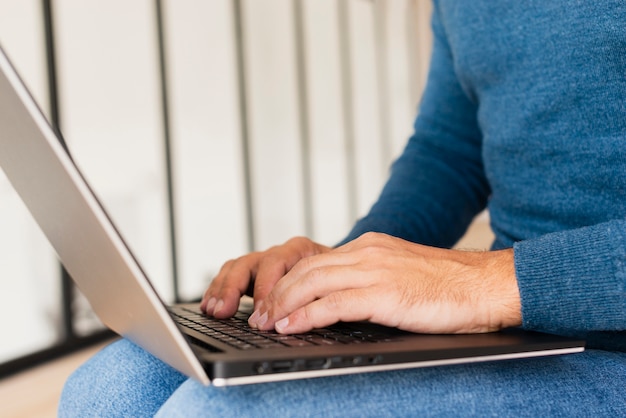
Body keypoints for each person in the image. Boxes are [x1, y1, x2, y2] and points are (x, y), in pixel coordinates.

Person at [59, 1, 626, 416]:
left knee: (219, 414)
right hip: (527, 330)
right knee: (109, 390)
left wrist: (495, 283)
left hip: (601, 339)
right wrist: (348, 270)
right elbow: (449, 151)